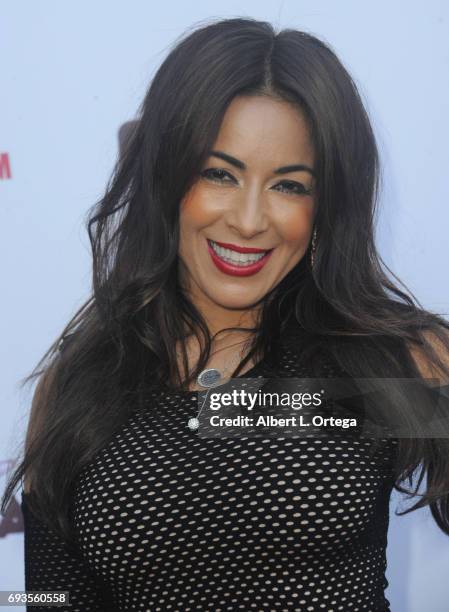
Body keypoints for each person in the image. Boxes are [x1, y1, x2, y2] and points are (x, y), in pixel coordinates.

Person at [2, 17, 449, 612]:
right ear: (165, 176)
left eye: (289, 186)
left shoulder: (395, 362)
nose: (247, 219)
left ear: (326, 207)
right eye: (219, 174)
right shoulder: (77, 388)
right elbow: (51, 599)